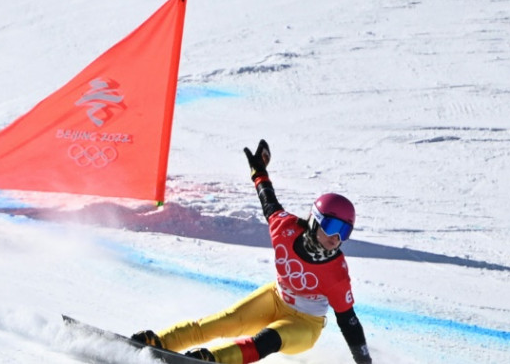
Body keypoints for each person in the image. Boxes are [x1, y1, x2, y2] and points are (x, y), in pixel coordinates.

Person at [131, 139, 373, 363]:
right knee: (220, 323)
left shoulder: (336, 272)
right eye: (332, 226)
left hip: (305, 325)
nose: (336, 237)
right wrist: (259, 172)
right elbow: (268, 201)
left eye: (345, 231)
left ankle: (212, 360)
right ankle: (160, 342)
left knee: (266, 340)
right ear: (315, 221)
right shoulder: (285, 228)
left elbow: (348, 322)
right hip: (275, 298)